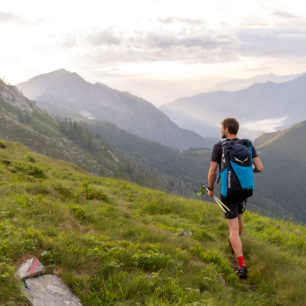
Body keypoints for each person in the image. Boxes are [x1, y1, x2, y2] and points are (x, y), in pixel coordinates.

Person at [207, 118, 264, 279]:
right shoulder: (247, 144)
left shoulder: (219, 147)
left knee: (232, 229)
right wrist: (243, 172)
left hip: (228, 192)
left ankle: (242, 265)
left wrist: (211, 189)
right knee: (238, 218)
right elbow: (259, 168)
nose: (220, 131)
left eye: (221, 128)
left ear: (226, 129)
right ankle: (235, 243)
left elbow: (212, 172)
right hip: (244, 190)